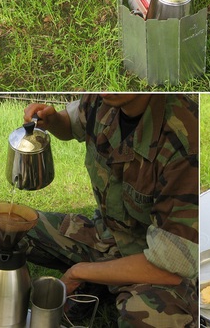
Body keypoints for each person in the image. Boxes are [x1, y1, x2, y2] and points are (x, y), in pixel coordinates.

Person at [23, 93, 199, 328]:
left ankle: (97, 283)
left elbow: (170, 267)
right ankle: (101, 284)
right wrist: (53, 121)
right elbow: (72, 125)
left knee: (148, 319)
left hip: (154, 261)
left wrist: (79, 272)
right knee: (12, 226)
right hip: (107, 236)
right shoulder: (100, 98)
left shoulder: (185, 140)